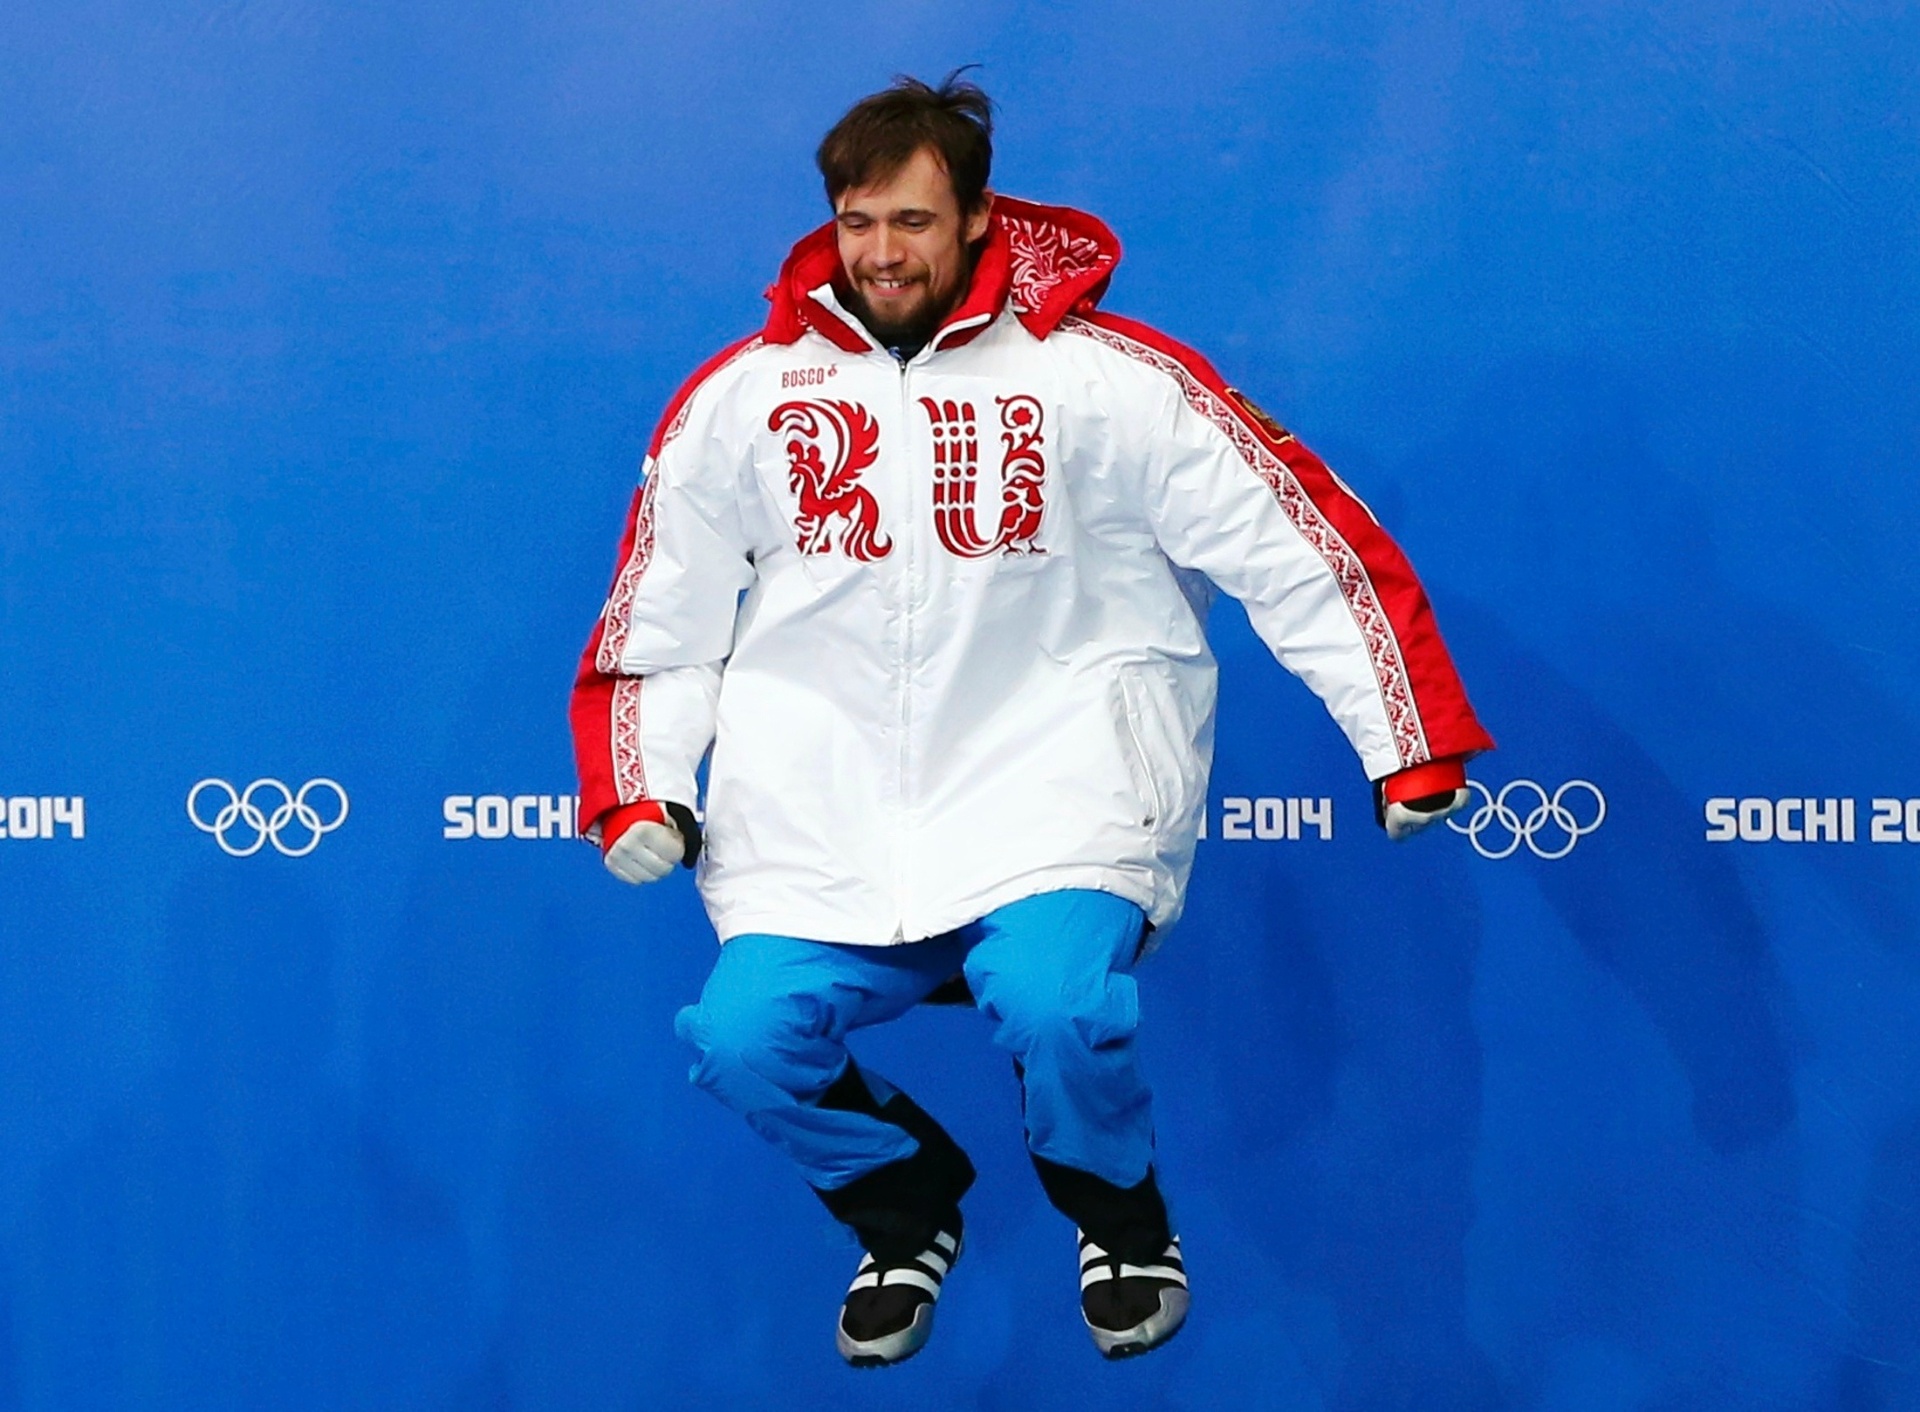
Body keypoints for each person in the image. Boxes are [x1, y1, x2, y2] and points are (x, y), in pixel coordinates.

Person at [570, 72, 1493, 1366]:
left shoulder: (1105, 379)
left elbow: (1291, 538)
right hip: (826, 825)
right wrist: (644, 784)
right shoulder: (748, 397)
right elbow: (658, 610)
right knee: (736, 1041)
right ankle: (905, 1211)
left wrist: (1405, 738)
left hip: (1056, 790)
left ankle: (1116, 1215)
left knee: (1056, 1004)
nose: (883, 251)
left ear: (977, 216)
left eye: (911, 220)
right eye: (857, 222)